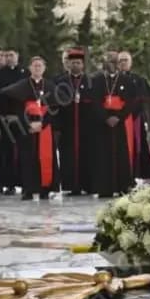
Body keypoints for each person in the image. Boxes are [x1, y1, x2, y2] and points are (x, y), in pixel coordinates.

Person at [3, 56, 57, 201]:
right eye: (35, 66)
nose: (37, 68)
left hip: (44, 127)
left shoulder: (51, 86)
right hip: (26, 127)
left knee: (45, 158)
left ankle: (45, 189)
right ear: (30, 68)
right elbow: (18, 109)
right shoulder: (22, 85)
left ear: (44, 68)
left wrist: (42, 124)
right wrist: (28, 125)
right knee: (27, 158)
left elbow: (54, 108)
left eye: (40, 66)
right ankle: (28, 189)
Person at [92, 52, 140, 196]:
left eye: (114, 61)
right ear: (105, 63)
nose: (112, 64)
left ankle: (123, 186)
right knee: (102, 155)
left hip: (119, 123)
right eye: (109, 61)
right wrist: (106, 117)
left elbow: (131, 102)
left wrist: (118, 117)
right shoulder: (98, 80)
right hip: (103, 123)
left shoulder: (126, 80)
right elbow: (95, 102)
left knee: (121, 154)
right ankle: (104, 188)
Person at [55, 47, 95, 195]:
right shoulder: (60, 81)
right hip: (67, 125)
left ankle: (88, 185)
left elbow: (95, 103)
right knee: (68, 156)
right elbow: (55, 105)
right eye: (72, 63)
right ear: (68, 64)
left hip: (86, 126)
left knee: (87, 155)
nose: (75, 65)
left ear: (82, 64)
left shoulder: (91, 81)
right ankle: (71, 186)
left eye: (78, 63)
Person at [0, 49, 25, 195]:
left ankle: (24, 182)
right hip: (4, 120)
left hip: (23, 119)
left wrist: (20, 115)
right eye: (7, 55)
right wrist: (0, 115)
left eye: (12, 55)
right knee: (7, 152)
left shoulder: (25, 74)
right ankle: (9, 184)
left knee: (23, 152)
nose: (9, 58)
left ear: (17, 57)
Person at [118, 50, 150, 182]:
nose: (123, 63)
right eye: (120, 60)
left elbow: (145, 100)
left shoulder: (139, 80)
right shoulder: (112, 80)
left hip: (135, 119)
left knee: (137, 146)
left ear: (131, 63)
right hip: (118, 120)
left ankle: (138, 173)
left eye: (125, 60)